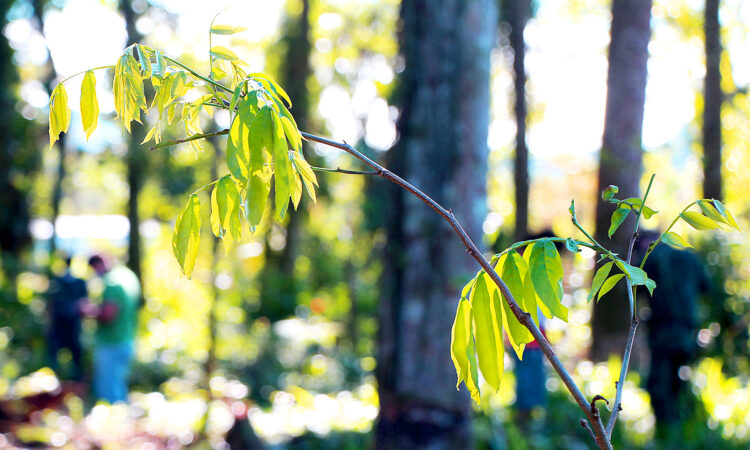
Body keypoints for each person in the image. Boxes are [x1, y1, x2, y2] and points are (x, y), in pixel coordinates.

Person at [638, 230, 710, 438]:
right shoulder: (689, 257)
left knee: (658, 385)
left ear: (645, 242)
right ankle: (683, 430)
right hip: (688, 331)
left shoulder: (650, 259)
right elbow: (707, 288)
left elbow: (634, 289)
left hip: (662, 332)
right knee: (679, 380)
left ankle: (666, 433)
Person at [79, 254, 140, 404]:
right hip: (127, 338)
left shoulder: (112, 282)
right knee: (119, 384)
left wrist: (88, 311)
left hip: (111, 341)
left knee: (109, 390)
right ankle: (122, 420)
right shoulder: (128, 276)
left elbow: (108, 314)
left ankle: (113, 424)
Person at [46, 254, 86, 381]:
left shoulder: (73, 282)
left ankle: (74, 382)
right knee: (57, 355)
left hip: (70, 325)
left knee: (75, 356)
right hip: (63, 325)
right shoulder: (59, 281)